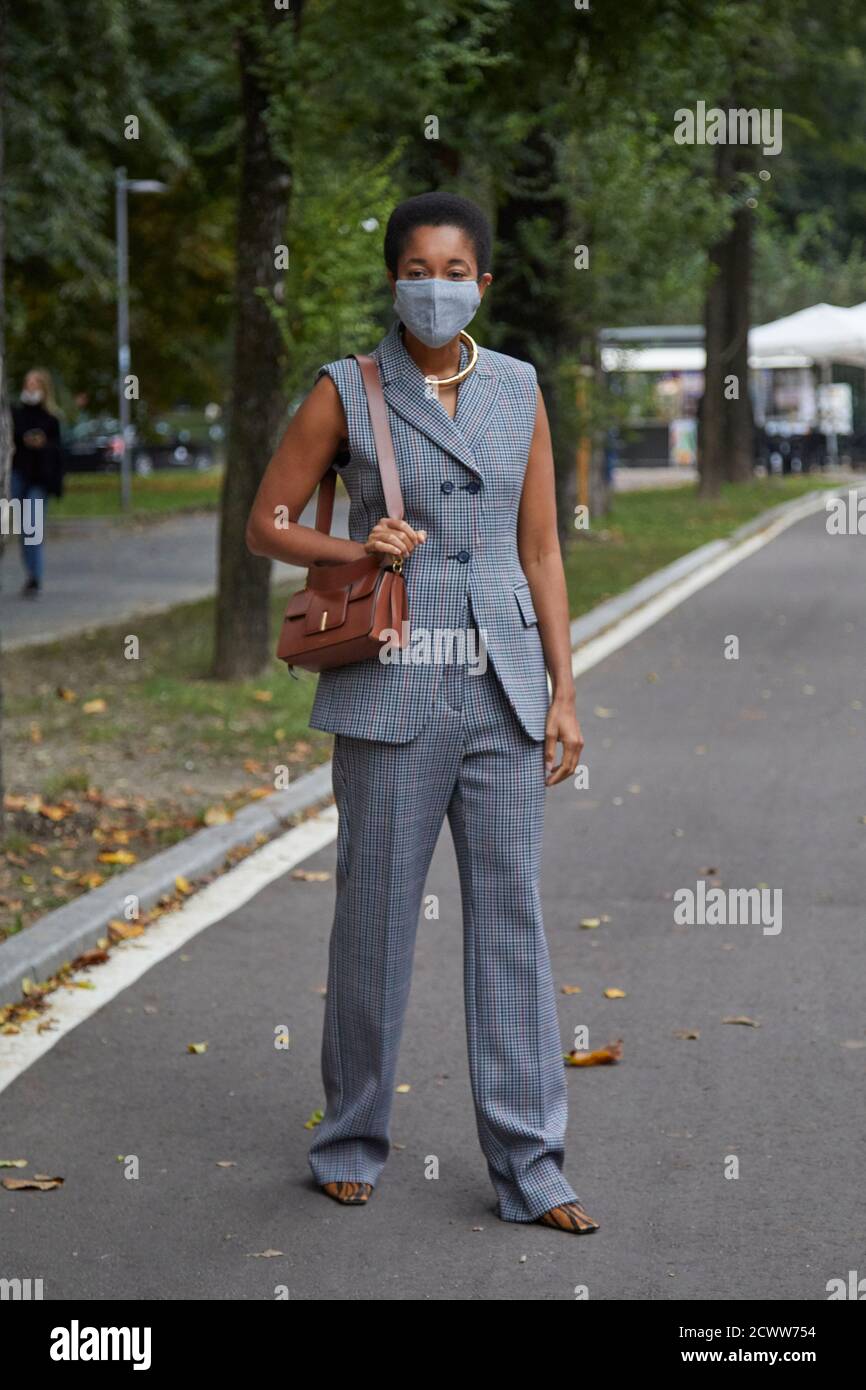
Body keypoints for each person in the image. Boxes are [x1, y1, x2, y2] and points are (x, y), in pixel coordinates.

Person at [246, 191, 598, 1234]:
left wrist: (564, 692)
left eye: (453, 270)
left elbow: (539, 549)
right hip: (387, 688)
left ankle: (531, 1164)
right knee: (374, 926)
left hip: (502, 691)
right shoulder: (345, 389)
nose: (433, 286)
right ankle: (349, 1138)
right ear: (392, 278)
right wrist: (355, 549)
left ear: (480, 284)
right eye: (415, 267)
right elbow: (266, 523)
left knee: (512, 928)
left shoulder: (520, 390)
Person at [11, 367, 65, 596]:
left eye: (34, 384)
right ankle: (30, 572)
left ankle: (35, 577)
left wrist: (43, 444)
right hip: (18, 474)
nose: (30, 388)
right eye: (27, 383)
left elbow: (59, 452)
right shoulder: (15, 414)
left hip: (39, 479)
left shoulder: (52, 419)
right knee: (20, 529)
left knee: (32, 527)